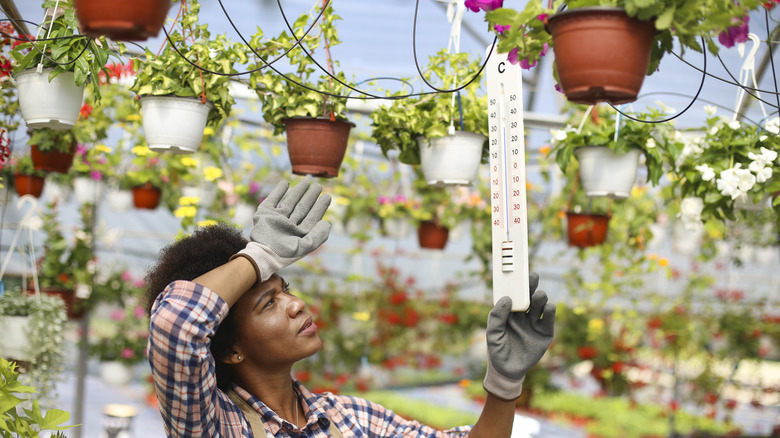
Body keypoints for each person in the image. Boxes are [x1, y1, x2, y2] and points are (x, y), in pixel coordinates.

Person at [144, 177, 556, 438]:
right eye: (269, 303)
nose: (294, 304)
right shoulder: (214, 425)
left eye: (284, 289)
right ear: (231, 349)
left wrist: (503, 384)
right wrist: (260, 257)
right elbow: (175, 325)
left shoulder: (350, 419)